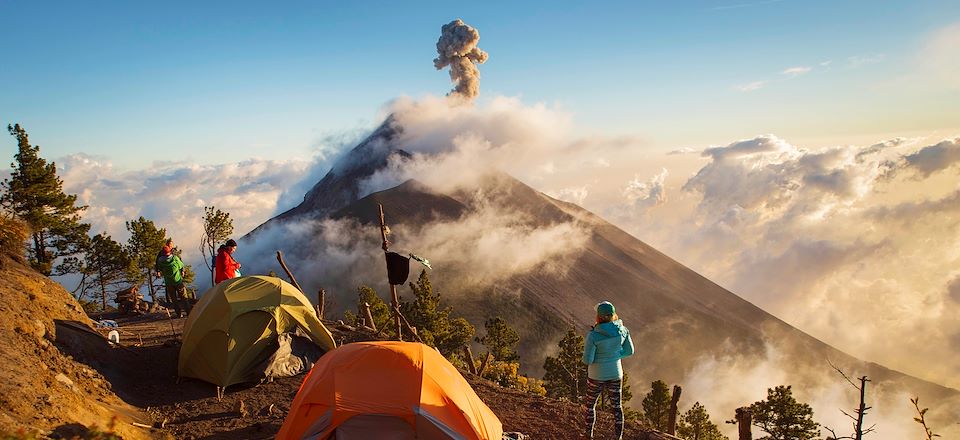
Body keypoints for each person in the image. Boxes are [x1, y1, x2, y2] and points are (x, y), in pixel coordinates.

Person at [582, 301, 634, 440]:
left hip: (596, 375)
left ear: (598, 316)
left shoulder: (593, 335)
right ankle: (618, 437)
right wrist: (615, 356)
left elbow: (588, 360)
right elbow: (630, 351)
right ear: (613, 315)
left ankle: (589, 435)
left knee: (590, 405)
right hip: (615, 373)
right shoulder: (623, 331)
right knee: (617, 407)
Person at [155, 238, 191, 317]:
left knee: (174, 299)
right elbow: (180, 264)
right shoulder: (174, 258)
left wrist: (158, 271)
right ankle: (188, 312)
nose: (171, 246)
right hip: (177, 280)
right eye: (170, 245)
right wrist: (182, 270)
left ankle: (179, 314)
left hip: (168, 282)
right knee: (184, 297)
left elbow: (158, 266)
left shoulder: (161, 260)